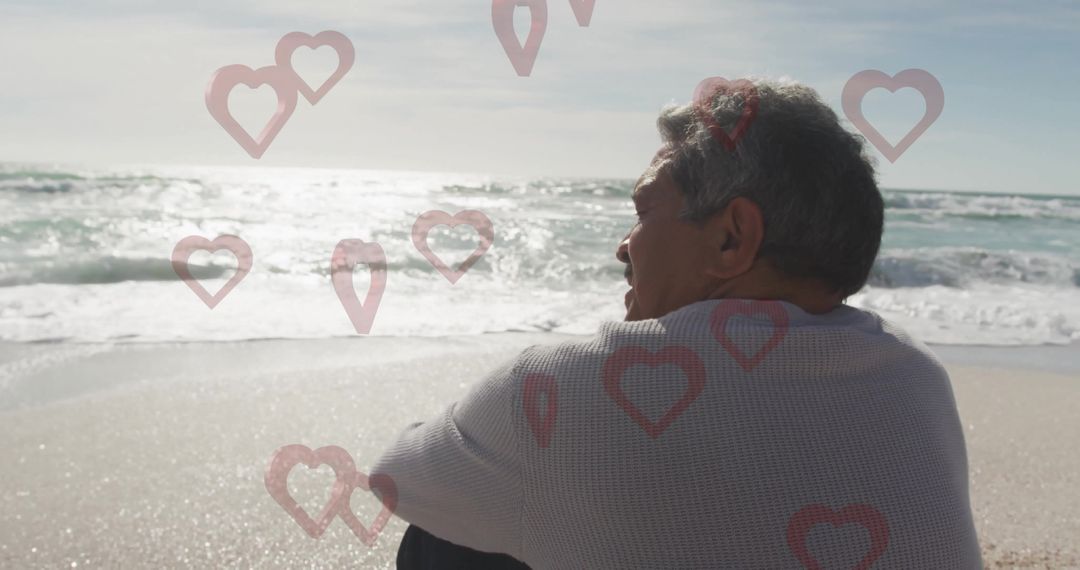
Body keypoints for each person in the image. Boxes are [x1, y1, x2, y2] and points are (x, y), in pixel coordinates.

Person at [372, 78, 983, 568]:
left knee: (445, 532)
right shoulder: (917, 377)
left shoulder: (561, 389)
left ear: (731, 239)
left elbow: (396, 478)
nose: (623, 245)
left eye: (643, 211)